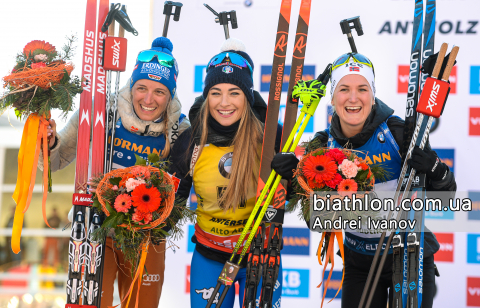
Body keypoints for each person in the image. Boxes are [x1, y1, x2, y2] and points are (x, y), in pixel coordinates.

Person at [274, 52, 456, 308]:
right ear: (333, 97)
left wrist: (436, 169)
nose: (353, 98)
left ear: (372, 94)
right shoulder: (322, 146)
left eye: (362, 88)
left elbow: (447, 197)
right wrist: (297, 180)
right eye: (343, 89)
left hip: (408, 256)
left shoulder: (398, 133)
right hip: (358, 262)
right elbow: (316, 221)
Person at [39, 37, 190, 308]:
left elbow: (184, 188)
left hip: (146, 234)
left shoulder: (179, 128)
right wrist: (47, 143)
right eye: (141, 87)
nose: (148, 99)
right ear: (132, 84)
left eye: (159, 92)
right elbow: (58, 159)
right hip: (96, 228)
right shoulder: (102, 110)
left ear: (171, 94)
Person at [169, 38, 284, 308]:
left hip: (262, 255)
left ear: (247, 96)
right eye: (216, 92)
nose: (224, 102)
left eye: (234, 92)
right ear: (206, 95)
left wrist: (290, 176)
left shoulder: (271, 135)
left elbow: (291, 195)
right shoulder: (192, 139)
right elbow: (173, 202)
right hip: (210, 257)